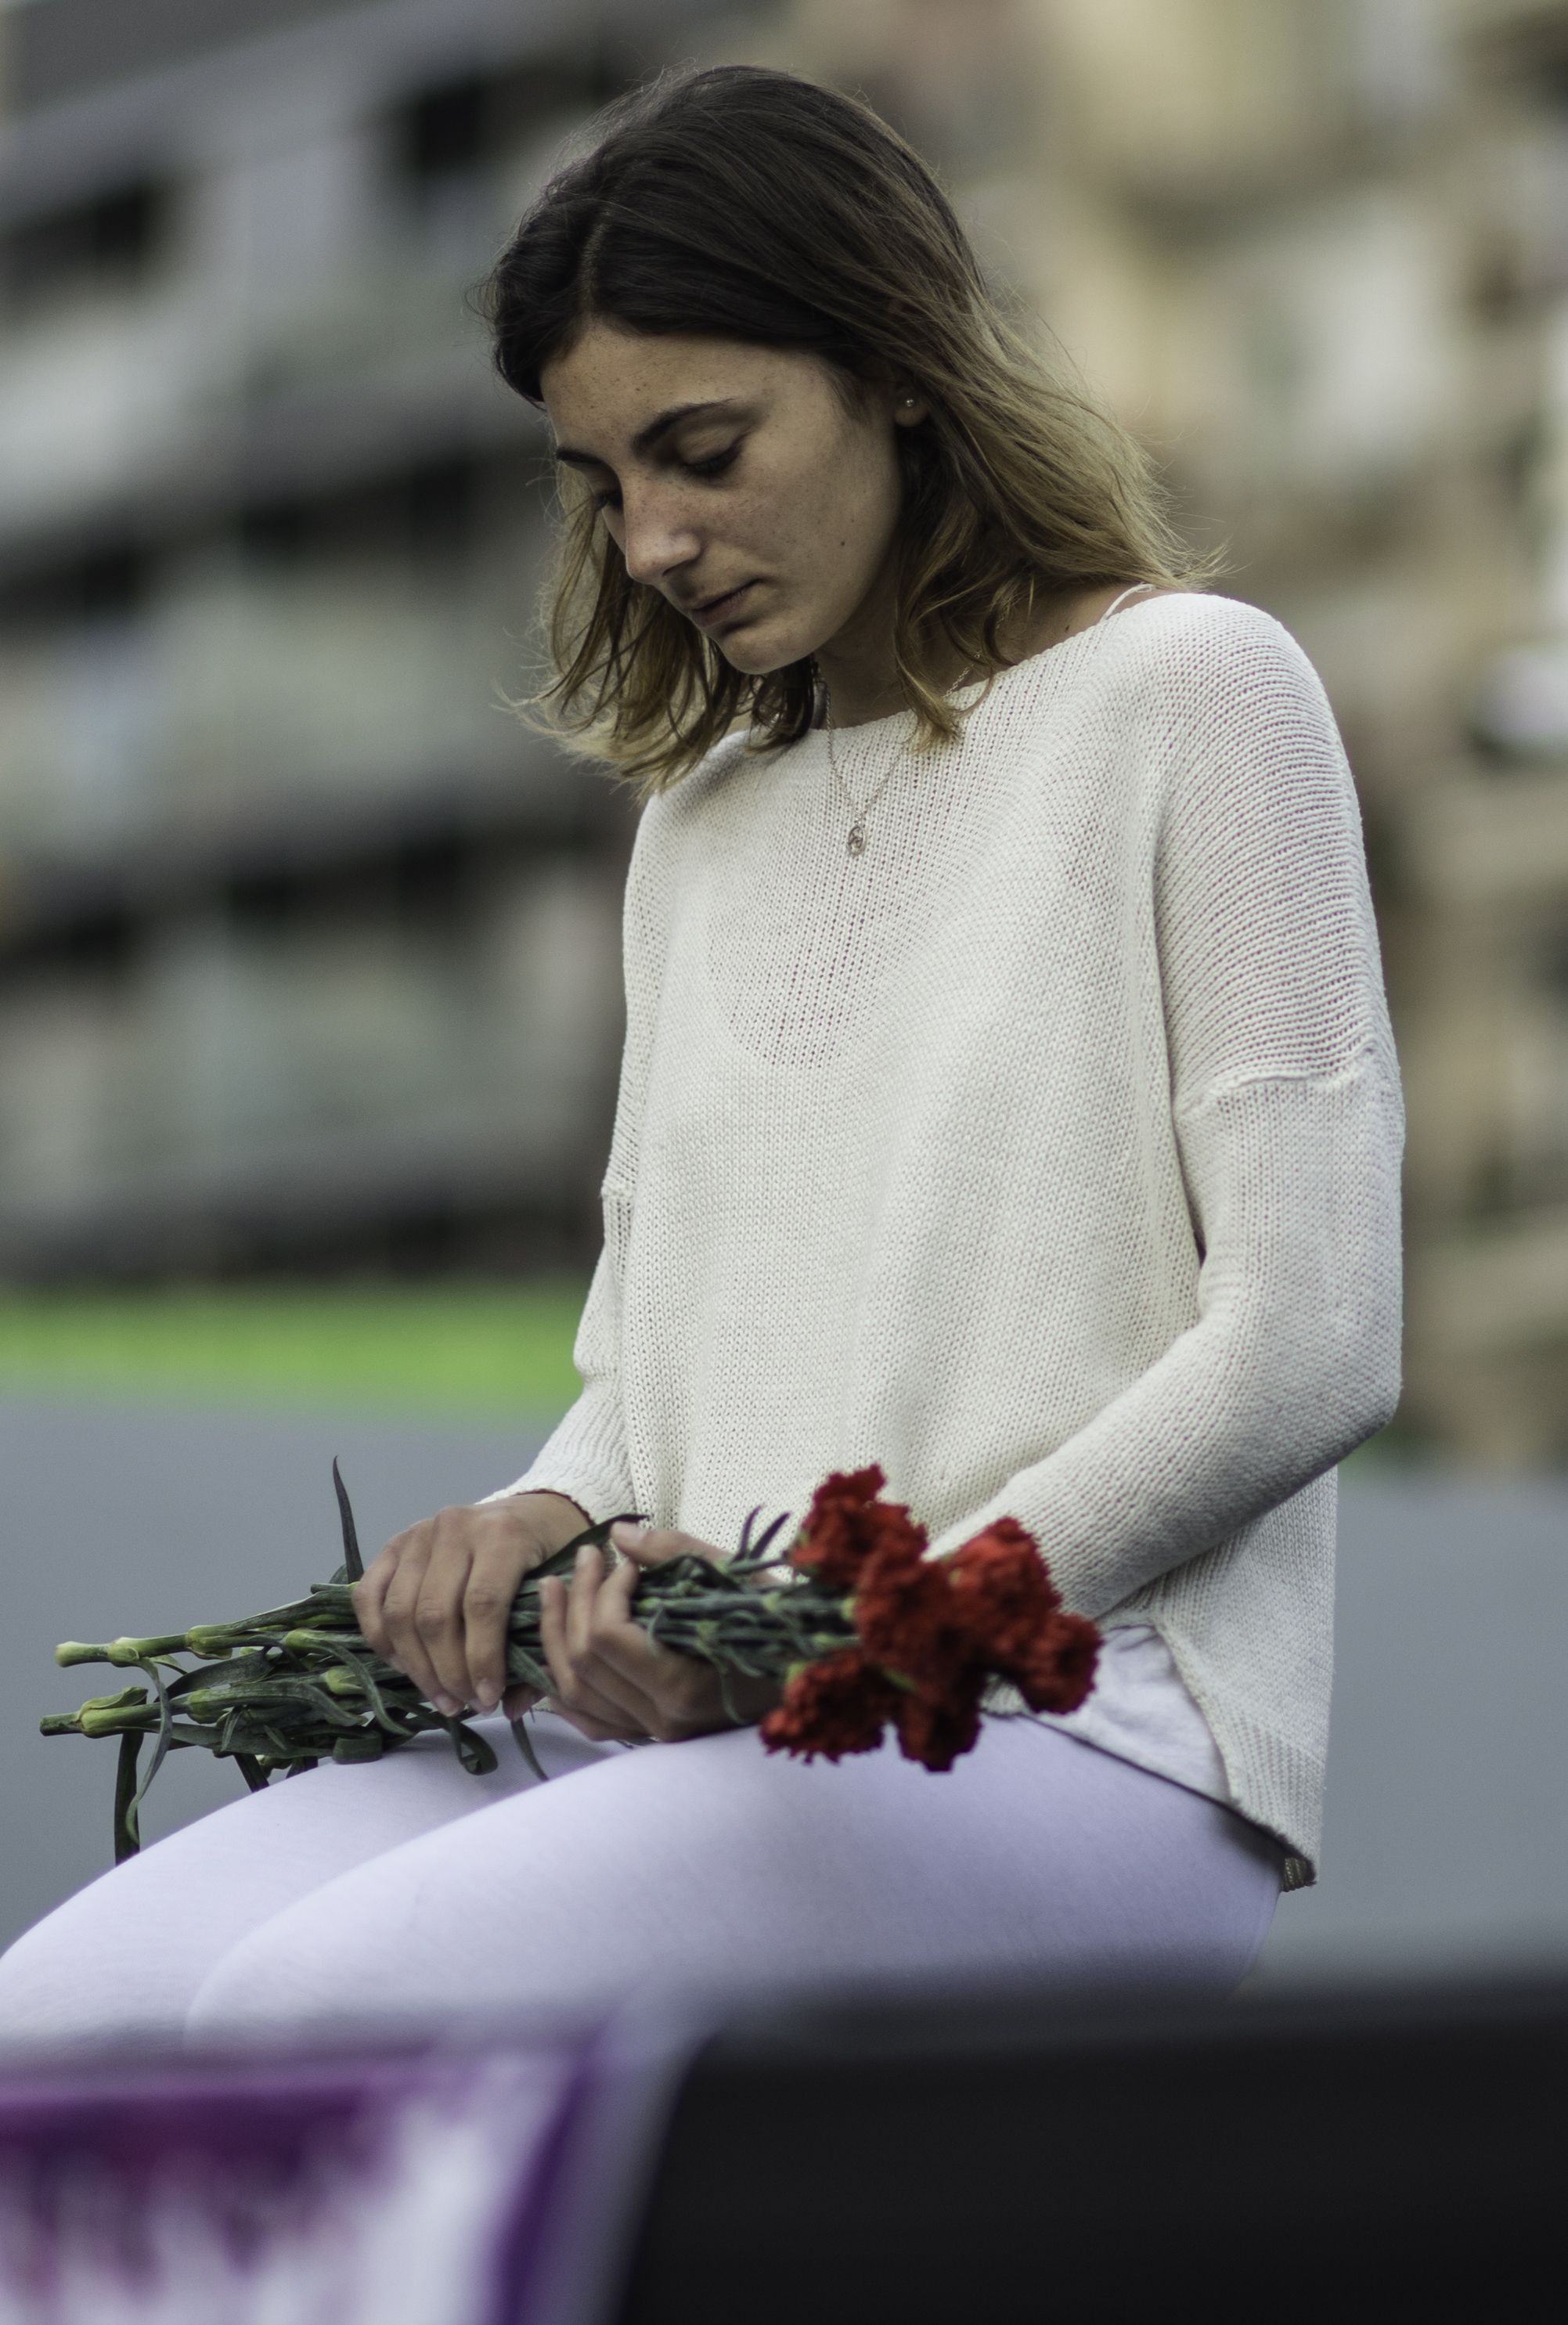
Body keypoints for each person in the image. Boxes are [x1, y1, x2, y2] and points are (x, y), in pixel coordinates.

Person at [0, 66, 1400, 2060]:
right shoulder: (700, 829)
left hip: (1087, 1730)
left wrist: (852, 1635)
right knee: (51, 2037)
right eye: (601, 485)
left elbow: (1314, 1337)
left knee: (320, 2014)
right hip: (696, 1708)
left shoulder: (1196, 694)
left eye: (706, 450)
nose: (654, 538)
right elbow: (645, 1394)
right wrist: (538, 1530)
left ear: (898, 369)